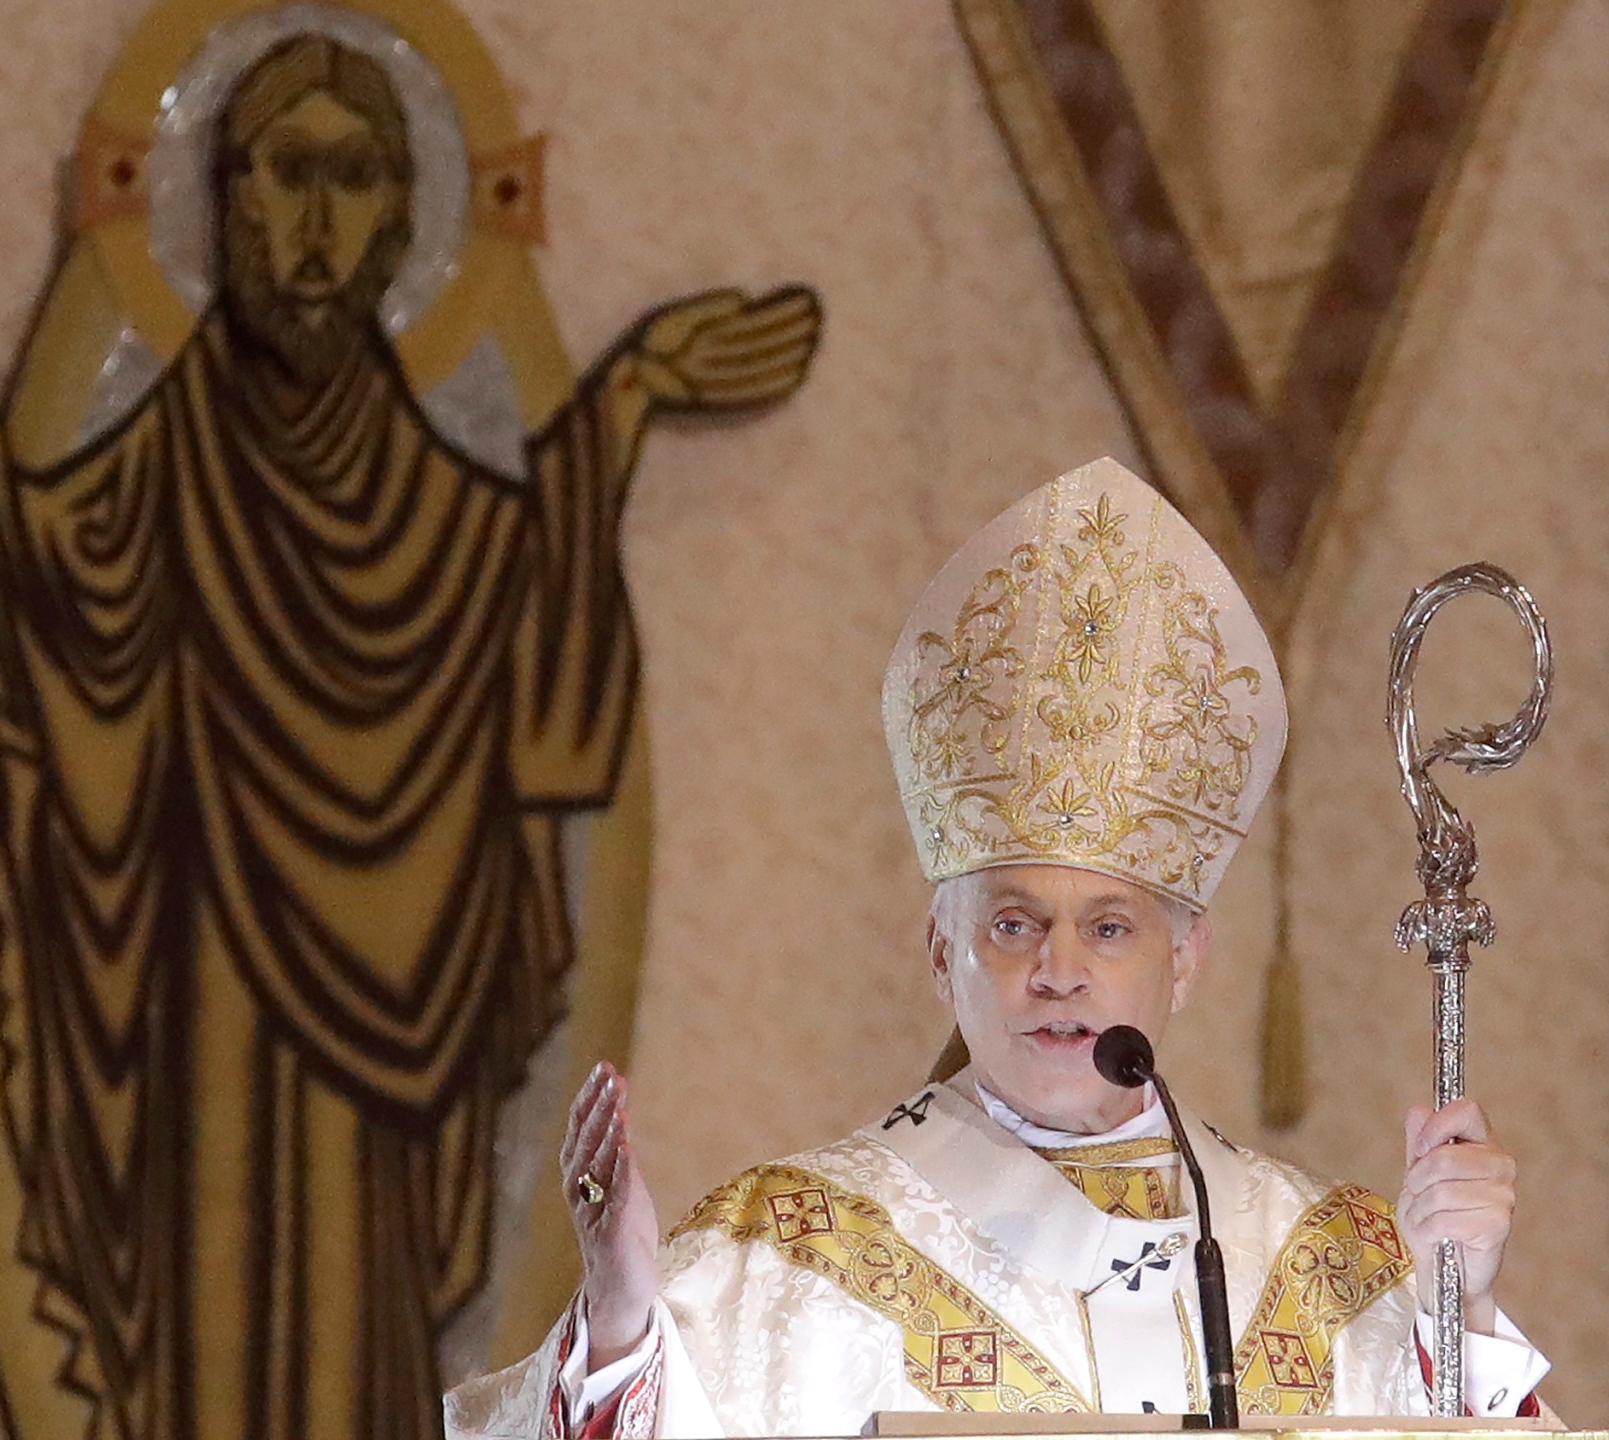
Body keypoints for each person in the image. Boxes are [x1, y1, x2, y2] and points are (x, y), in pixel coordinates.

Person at [0, 31, 817, 1440]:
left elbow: (525, 658)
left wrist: (622, 404)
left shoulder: (439, 510)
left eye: (359, 180)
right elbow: (58, 611)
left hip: (382, 1112)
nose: (317, 224)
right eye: (284, 175)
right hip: (202, 1041)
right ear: (225, 200)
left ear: (402, 220)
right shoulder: (163, 471)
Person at [448, 458, 1549, 1436]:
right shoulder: (788, 1256)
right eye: (1013, 924)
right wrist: (623, 1327)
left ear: (1185, 959)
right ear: (942, 955)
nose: (1057, 969)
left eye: (1109, 927)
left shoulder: (1336, 1267)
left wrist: (1470, 1311)